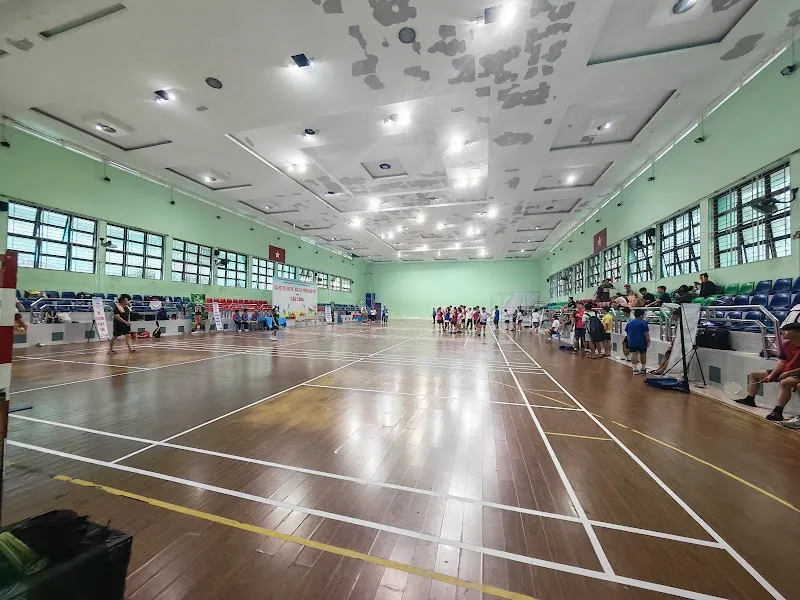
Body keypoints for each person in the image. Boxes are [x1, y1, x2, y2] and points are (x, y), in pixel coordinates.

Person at [734, 319, 800, 421]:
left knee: (785, 382)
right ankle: (750, 399)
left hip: (796, 373)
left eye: (786, 331)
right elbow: (782, 362)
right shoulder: (786, 345)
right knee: (754, 374)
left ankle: (778, 412)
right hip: (786, 371)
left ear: (796, 332)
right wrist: (771, 375)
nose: (782, 333)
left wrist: (788, 373)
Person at [624, 309, 650, 374]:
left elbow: (627, 333)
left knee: (634, 354)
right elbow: (646, 333)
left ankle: (634, 369)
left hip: (632, 341)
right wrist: (648, 341)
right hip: (642, 341)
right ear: (641, 315)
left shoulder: (629, 323)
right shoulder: (643, 323)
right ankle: (643, 368)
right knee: (643, 354)